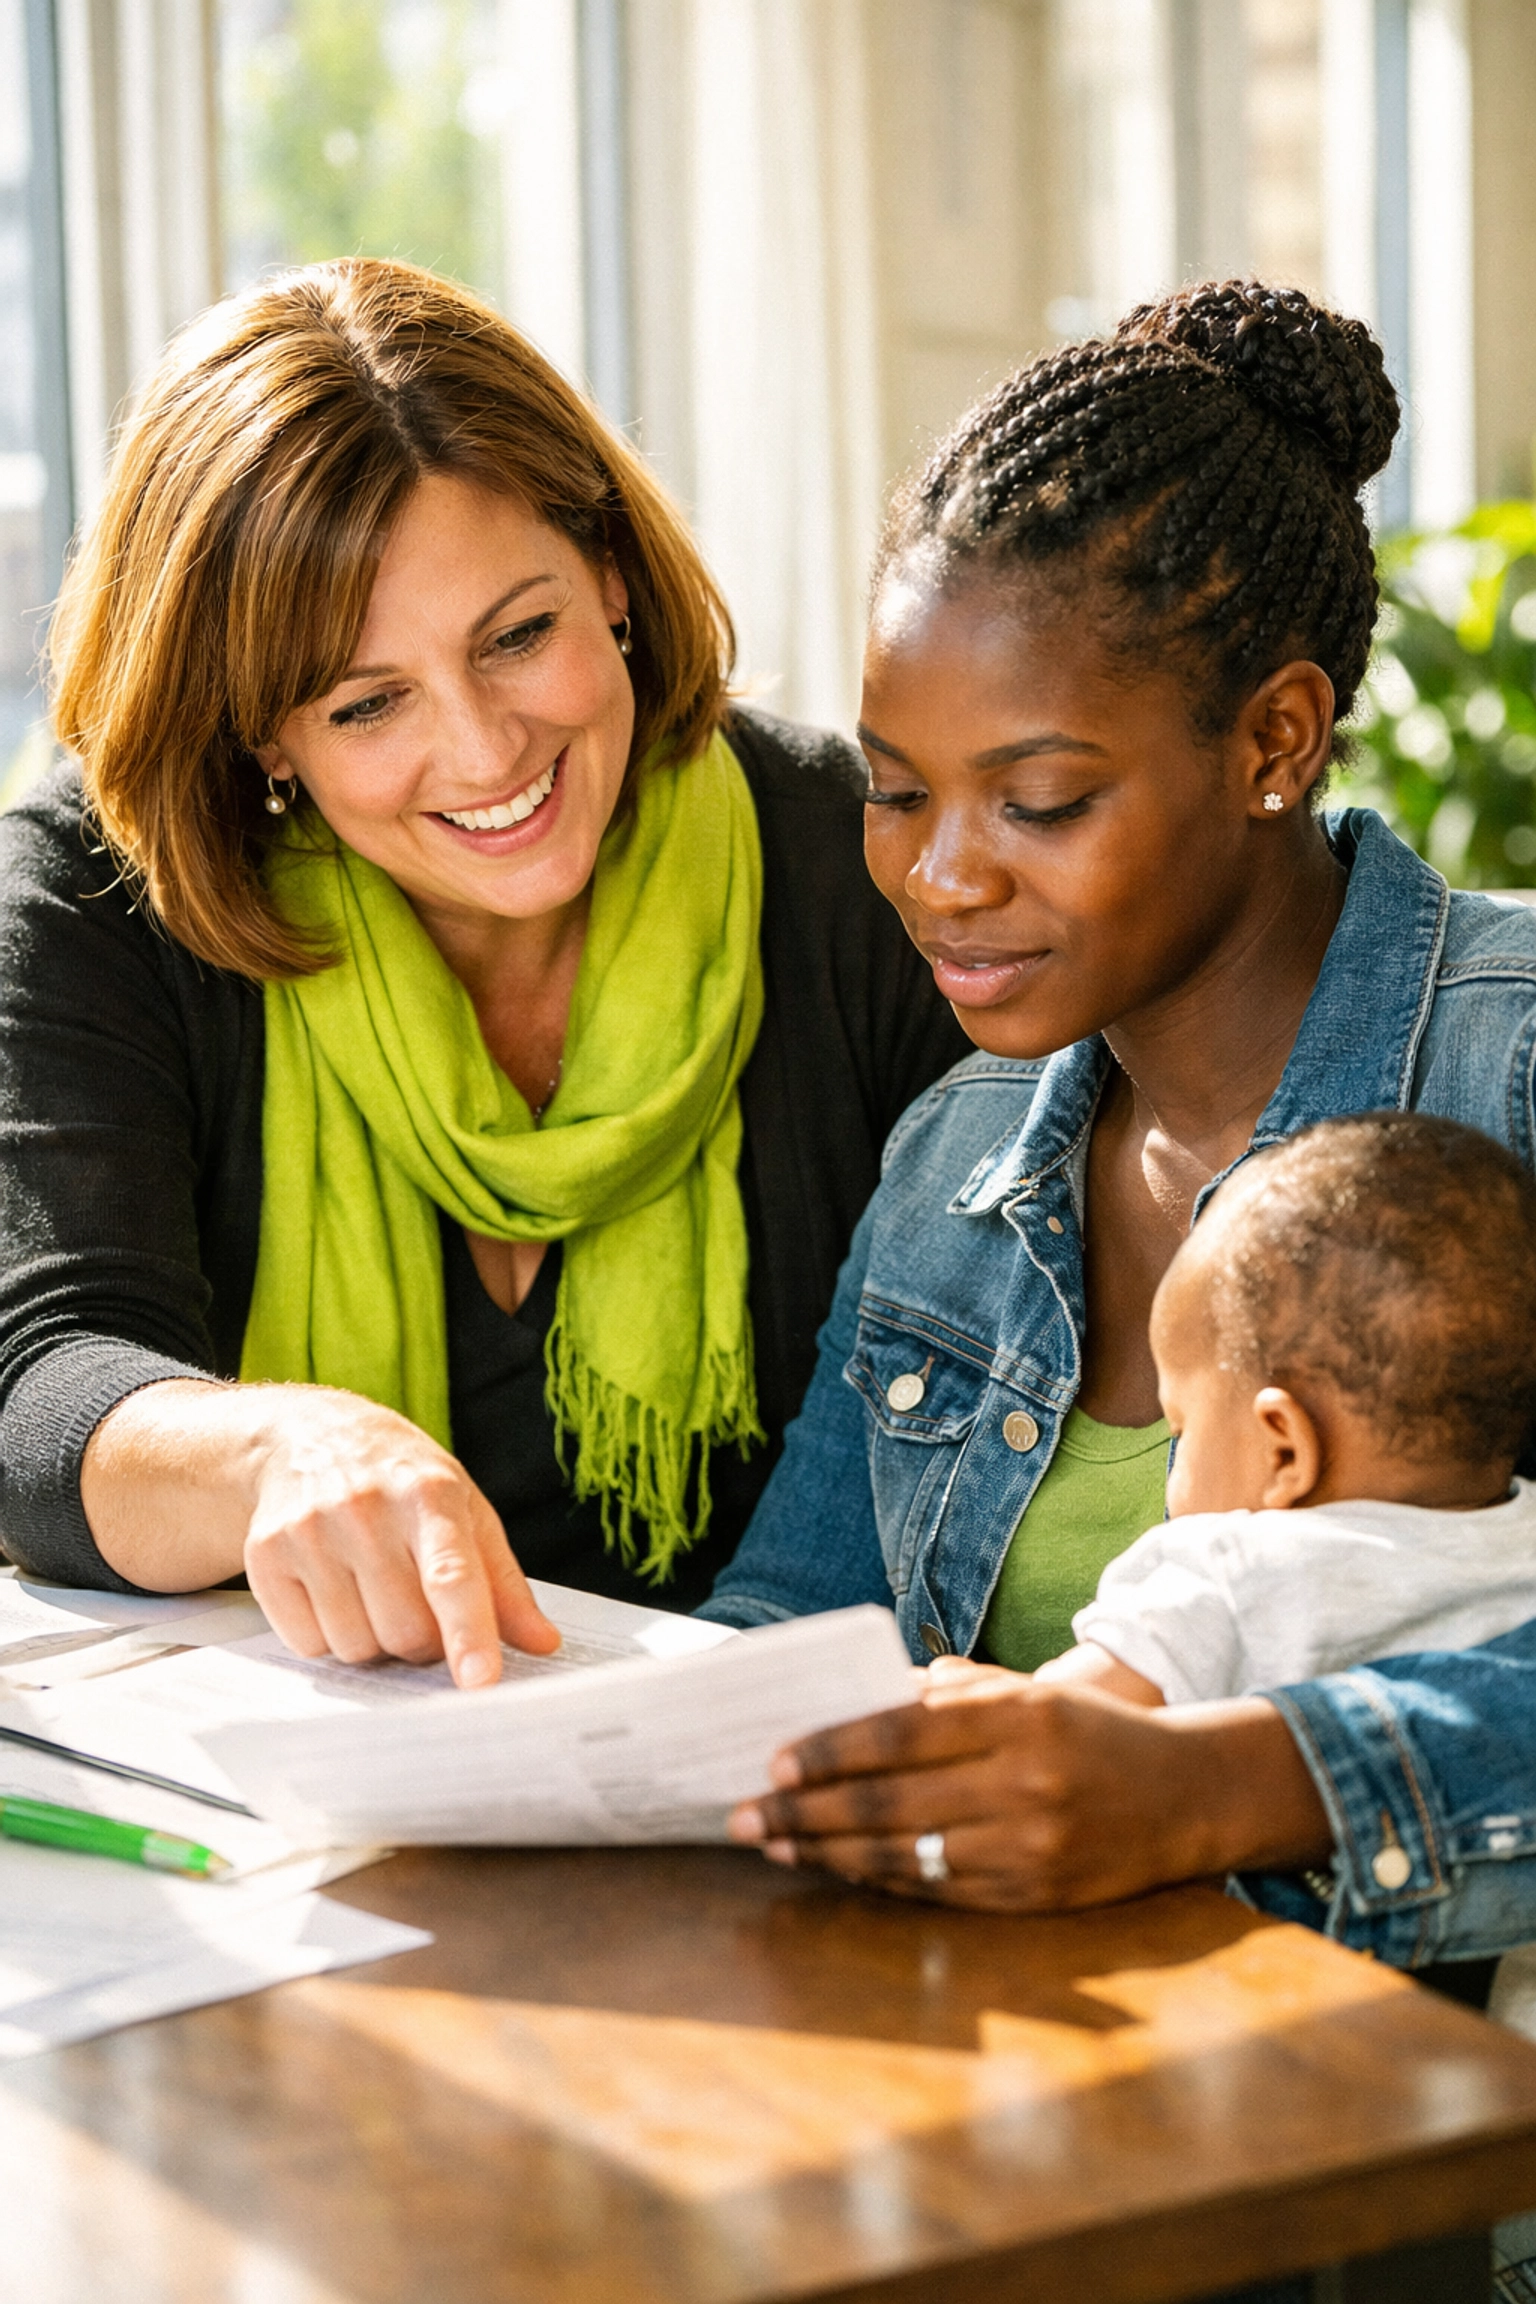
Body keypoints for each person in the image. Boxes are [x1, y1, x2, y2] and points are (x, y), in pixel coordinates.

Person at [711, 279, 1536, 1968]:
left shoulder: (1509, 1068)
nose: (938, 875)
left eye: (1040, 801)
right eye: (894, 788)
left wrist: (1213, 1785)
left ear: (1274, 739)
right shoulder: (957, 1154)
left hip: (1448, 2198)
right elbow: (786, 1633)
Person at [0, 257, 966, 1688]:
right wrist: (279, 1445)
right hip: (330, 1790)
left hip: (777, 1757)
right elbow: (43, 1394)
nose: (483, 750)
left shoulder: (852, 860)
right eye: (366, 701)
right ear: (265, 736)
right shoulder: (103, 896)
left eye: (518, 635)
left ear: (615, 579)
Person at [1010, 1112, 1536, 1707]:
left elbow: (1048, 1729)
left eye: (1182, 1426)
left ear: (1283, 1449)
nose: (1177, 1455)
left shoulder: (1228, 1582)